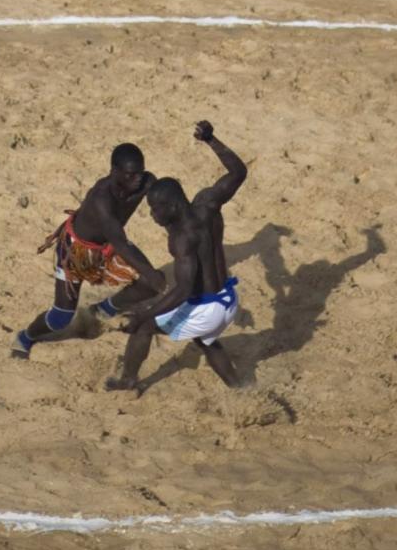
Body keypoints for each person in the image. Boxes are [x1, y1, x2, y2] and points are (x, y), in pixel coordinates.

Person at [106, 121, 247, 393]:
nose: (152, 215)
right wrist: (211, 140)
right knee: (204, 340)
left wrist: (143, 314)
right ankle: (240, 387)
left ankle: (128, 380)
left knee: (144, 327)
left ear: (171, 206)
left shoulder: (182, 239)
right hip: (229, 300)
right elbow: (239, 172)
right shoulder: (208, 203)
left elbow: (183, 289)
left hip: (209, 309)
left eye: (155, 209)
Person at [15, 141, 163, 359]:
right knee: (61, 317)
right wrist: (154, 275)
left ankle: (103, 310)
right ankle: (25, 337)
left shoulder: (146, 182)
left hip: (108, 245)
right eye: (131, 174)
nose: (137, 178)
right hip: (76, 252)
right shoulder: (101, 198)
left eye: (140, 172)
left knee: (150, 284)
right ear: (115, 172)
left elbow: (167, 201)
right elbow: (120, 241)